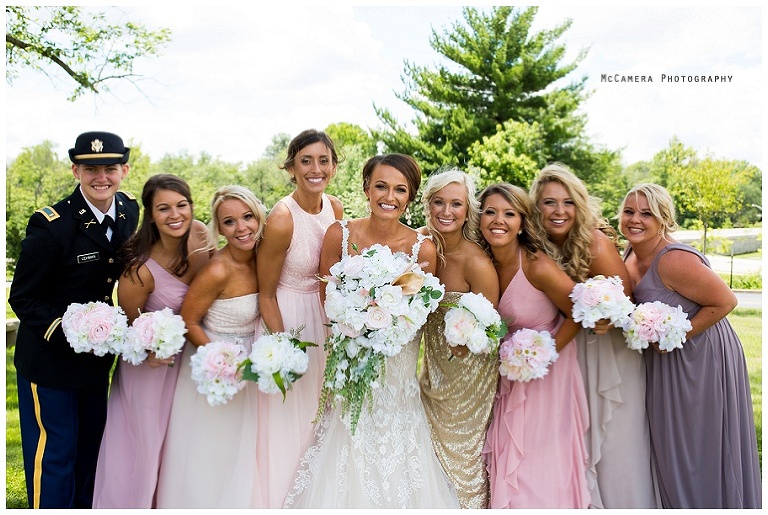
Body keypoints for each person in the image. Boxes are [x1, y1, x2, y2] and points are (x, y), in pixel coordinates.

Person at [283, 154, 460, 508]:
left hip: (397, 366)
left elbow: (420, 312)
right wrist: (359, 320)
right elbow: (327, 300)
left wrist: (387, 322)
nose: (389, 197)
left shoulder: (422, 248)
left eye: (400, 190)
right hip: (351, 356)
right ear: (366, 188)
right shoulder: (339, 234)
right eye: (381, 186)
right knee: (348, 443)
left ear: (410, 197)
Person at [9, 131, 139, 508]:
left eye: (110, 168)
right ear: (75, 171)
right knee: (56, 457)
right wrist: (70, 333)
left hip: (96, 363)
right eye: (90, 169)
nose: (101, 177)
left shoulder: (128, 210)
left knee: (89, 454)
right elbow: (24, 297)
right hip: (50, 362)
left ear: (124, 170)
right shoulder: (52, 225)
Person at [619, 183, 761, 509]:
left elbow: (726, 301)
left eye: (646, 213)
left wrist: (678, 336)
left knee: (700, 445)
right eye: (629, 211)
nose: (635, 219)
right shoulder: (628, 253)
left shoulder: (673, 260)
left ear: (663, 219)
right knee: (672, 446)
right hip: (665, 361)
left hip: (702, 357)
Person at [529, 163, 658, 508]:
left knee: (614, 441)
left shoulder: (594, 243)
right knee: (580, 439)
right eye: (549, 202)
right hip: (576, 352)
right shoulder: (536, 244)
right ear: (537, 207)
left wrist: (607, 319)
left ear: (579, 205)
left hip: (610, 353)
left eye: (567, 202)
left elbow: (626, 302)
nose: (559, 211)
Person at [92, 174, 210, 508]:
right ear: (151, 215)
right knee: (146, 448)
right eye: (164, 208)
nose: (175, 215)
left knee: (182, 449)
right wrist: (147, 354)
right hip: (151, 372)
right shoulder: (138, 271)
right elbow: (128, 331)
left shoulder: (200, 235)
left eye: (181, 205)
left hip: (190, 366)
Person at [155, 185, 267, 508]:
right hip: (217, 368)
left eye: (247, 217)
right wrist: (221, 360)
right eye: (229, 222)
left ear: (259, 217)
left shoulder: (263, 258)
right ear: (219, 228)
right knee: (214, 451)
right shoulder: (218, 270)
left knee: (245, 452)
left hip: (251, 364)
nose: (241, 228)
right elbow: (189, 320)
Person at [479, 183, 589, 509]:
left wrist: (544, 355)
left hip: (548, 375)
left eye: (509, 214)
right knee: (512, 453)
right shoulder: (485, 260)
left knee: (537, 462)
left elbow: (579, 312)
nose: (499, 220)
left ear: (522, 223)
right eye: (490, 212)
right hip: (510, 373)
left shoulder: (537, 266)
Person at [254, 129, 344, 507]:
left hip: (325, 317)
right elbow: (266, 293)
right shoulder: (281, 218)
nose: (315, 169)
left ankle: (315, 497)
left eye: (323, 160)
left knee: (321, 412)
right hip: (288, 319)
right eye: (306, 161)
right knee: (291, 414)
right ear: (291, 168)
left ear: (334, 167)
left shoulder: (335, 208)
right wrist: (285, 349)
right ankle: (281, 499)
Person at [416, 168, 500, 508]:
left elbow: (492, 329)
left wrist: (466, 342)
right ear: (428, 204)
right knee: (428, 451)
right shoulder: (418, 245)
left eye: (456, 204)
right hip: (432, 370)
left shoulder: (476, 262)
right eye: (439, 202)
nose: (446, 211)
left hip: (469, 376)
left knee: (462, 453)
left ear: (467, 211)